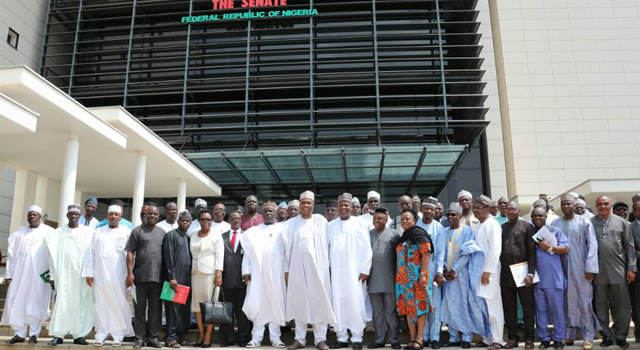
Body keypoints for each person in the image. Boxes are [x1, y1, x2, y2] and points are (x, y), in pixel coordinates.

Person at [282, 191, 336, 350]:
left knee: (319, 302)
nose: (305, 205)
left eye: (308, 203)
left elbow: (328, 244)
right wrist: (286, 270)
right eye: (303, 202)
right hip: (297, 270)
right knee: (300, 302)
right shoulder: (291, 224)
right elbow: (286, 249)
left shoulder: (320, 221)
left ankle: (320, 339)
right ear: (299, 205)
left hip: (319, 270)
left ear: (313, 204)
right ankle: (300, 339)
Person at [438, 203, 489, 349]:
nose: (451, 217)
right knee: (449, 306)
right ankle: (454, 338)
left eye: (454, 214)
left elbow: (467, 253)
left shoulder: (467, 231)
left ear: (460, 216)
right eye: (449, 215)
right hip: (447, 276)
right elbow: (440, 252)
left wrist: (455, 270)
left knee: (464, 306)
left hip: (461, 275)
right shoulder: (444, 231)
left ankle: (466, 338)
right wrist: (443, 271)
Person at [551, 193, 598, 349]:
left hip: (580, 268)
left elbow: (592, 245)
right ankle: (569, 335)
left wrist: (590, 268)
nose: (566, 206)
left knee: (585, 301)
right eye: (563, 204)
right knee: (566, 301)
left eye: (568, 204)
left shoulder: (584, 222)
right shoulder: (555, 223)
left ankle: (588, 336)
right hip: (561, 268)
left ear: (574, 204)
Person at [1, 205, 53, 344]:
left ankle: (34, 334)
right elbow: (11, 256)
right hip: (20, 275)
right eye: (30, 214)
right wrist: (9, 275)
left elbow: (54, 254)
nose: (32, 217)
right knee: (19, 302)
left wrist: (51, 274)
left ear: (40, 217)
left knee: (36, 302)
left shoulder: (49, 232)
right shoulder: (19, 233)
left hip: (39, 275)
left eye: (35, 214)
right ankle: (19, 333)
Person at [83, 204, 134, 347]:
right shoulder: (98, 232)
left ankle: (118, 335)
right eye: (111, 214)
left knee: (119, 302)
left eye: (116, 214)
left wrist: (130, 274)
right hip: (99, 274)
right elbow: (90, 253)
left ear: (120, 217)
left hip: (119, 275)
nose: (113, 216)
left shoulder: (126, 232)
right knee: (101, 302)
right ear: (107, 216)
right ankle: (101, 333)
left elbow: (130, 255)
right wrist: (89, 272)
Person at [327, 193, 372, 350]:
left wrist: (365, 270)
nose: (344, 208)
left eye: (347, 205)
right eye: (341, 205)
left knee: (356, 304)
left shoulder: (359, 224)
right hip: (337, 273)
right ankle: (341, 337)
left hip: (355, 273)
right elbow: (327, 249)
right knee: (338, 304)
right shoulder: (330, 226)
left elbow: (367, 249)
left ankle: (357, 338)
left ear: (351, 207)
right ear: (338, 207)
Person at [45, 204, 95, 346]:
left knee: (81, 305)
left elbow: (92, 255)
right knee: (61, 304)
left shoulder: (88, 233)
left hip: (81, 276)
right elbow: (52, 256)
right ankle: (58, 335)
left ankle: (79, 335)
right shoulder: (58, 232)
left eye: (76, 214)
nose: (73, 216)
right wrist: (53, 276)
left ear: (80, 216)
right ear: (67, 216)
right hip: (63, 275)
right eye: (71, 214)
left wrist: (89, 273)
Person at [592, 196, 636, 348]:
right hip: (598, 272)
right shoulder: (590, 223)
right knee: (601, 305)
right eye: (600, 204)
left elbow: (629, 247)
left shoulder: (622, 222)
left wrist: (631, 268)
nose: (603, 206)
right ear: (596, 206)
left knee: (622, 306)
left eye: (606, 204)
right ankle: (607, 336)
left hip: (619, 271)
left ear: (610, 205)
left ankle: (621, 336)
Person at [241, 203, 287, 348]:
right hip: (257, 274)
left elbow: (287, 254)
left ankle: (276, 338)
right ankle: (256, 338)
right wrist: (246, 270)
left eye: (271, 211)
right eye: (266, 210)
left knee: (276, 304)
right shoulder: (253, 232)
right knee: (257, 304)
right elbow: (247, 254)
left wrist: (287, 272)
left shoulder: (283, 229)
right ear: (263, 213)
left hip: (276, 274)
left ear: (276, 213)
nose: (268, 212)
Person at [125, 205, 166, 348]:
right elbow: (130, 252)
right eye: (150, 214)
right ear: (145, 215)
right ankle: (140, 338)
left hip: (158, 278)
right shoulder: (137, 231)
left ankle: (153, 337)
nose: (153, 216)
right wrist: (130, 273)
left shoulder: (162, 233)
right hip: (140, 277)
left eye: (155, 214)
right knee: (139, 309)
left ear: (158, 216)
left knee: (156, 309)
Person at [531, 207, 570, 349]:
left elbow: (565, 249)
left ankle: (559, 339)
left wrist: (549, 247)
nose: (537, 218)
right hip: (537, 279)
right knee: (540, 311)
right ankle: (544, 339)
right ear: (531, 217)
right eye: (535, 215)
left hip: (554, 278)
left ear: (546, 216)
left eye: (540, 215)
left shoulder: (554, 230)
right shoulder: (529, 232)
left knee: (557, 311)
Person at [500, 201, 536, 349]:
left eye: (513, 209)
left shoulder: (527, 227)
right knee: (509, 308)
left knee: (527, 307)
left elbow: (532, 253)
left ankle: (529, 338)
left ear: (519, 211)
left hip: (523, 273)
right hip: (506, 274)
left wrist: (531, 274)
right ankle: (513, 338)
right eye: (508, 209)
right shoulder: (501, 228)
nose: (510, 211)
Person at [395, 209, 432, 350]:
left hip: (417, 275)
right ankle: (412, 338)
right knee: (409, 308)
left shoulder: (419, 234)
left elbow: (426, 254)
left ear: (415, 220)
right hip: (403, 278)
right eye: (402, 219)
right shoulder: (403, 237)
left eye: (407, 219)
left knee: (420, 306)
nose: (404, 221)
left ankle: (420, 339)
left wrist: (423, 274)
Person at [472, 196, 505, 349]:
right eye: (475, 207)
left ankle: (498, 339)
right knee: (483, 306)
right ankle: (488, 338)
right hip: (478, 272)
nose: (476, 210)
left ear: (487, 208)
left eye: (479, 207)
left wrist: (487, 271)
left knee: (493, 305)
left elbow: (495, 250)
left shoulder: (493, 224)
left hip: (489, 272)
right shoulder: (479, 226)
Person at [368, 208, 401, 350]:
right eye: (375, 218)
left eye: (380, 218)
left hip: (390, 279)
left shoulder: (394, 235)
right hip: (373, 279)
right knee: (378, 312)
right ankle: (379, 339)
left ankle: (394, 340)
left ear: (386, 220)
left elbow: (399, 258)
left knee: (391, 311)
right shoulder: (368, 234)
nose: (377, 221)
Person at [190, 210, 224, 348]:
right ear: (199, 221)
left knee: (210, 306)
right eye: (203, 219)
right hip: (195, 274)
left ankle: (208, 336)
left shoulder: (216, 235)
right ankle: (201, 333)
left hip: (210, 274)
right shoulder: (193, 234)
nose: (206, 222)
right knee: (196, 306)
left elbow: (219, 255)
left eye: (209, 219)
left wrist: (218, 273)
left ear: (212, 221)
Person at [416, 199, 444, 349]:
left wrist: (439, 272)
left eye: (431, 210)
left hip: (433, 270)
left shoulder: (439, 228)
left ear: (435, 211)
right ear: (421, 209)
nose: (428, 212)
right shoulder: (416, 226)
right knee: (422, 303)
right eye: (425, 209)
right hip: (418, 270)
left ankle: (434, 337)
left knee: (435, 305)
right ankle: (423, 337)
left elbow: (441, 253)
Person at [161, 211, 193, 348]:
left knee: (182, 311)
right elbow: (169, 257)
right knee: (172, 311)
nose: (185, 223)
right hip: (173, 281)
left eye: (187, 221)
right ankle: (170, 338)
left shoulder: (188, 237)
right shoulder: (171, 235)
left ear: (190, 223)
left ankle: (179, 336)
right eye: (182, 220)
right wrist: (172, 277)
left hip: (185, 280)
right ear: (178, 221)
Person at [220, 211, 251, 347]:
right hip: (225, 281)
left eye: (238, 218)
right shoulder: (222, 237)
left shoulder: (247, 236)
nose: (236, 220)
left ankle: (243, 337)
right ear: (229, 220)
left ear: (241, 220)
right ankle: (229, 338)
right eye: (233, 218)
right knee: (227, 311)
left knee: (242, 312)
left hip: (242, 281)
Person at [630, 200, 640, 343]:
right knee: (637, 305)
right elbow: (629, 249)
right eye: (638, 208)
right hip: (637, 272)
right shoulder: (629, 228)